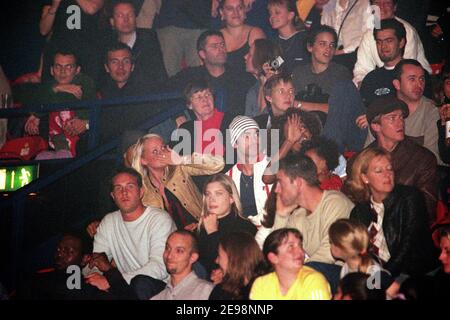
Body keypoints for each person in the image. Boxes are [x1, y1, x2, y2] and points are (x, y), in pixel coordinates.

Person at [346, 147, 439, 282]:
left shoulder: (410, 198)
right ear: (365, 178)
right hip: (382, 274)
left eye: (389, 169)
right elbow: (361, 253)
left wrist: (381, 279)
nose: (387, 174)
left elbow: (407, 246)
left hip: (415, 274)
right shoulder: (359, 212)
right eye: (379, 171)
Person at [270, 154, 354, 292]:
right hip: (318, 276)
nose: (276, 189)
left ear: (297, 183)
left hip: (348, 276)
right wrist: (281, 215)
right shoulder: (299, 215)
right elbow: (279, 253)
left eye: (280, 182)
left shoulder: (335, 203)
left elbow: (328, 253)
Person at [87, 168, 176, 294]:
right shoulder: (108, 222)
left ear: (141, 192)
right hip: (126, 287)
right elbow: (97, 262)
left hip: (163, 288)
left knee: (140, 283)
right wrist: (94, 277)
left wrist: (112, 281)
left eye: (130, 186)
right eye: (118, 188)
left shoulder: (159, 219)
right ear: (113, 196)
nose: (124, 192)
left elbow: (160, 267)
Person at [362, 95, 438, 223]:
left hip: (406, 230)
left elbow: (426, 210)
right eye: (392, 118)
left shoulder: (422, 159)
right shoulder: (361, 161)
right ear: (376, 126)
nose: (401, 123)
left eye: (401, 117)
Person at [292, 25, 367, 152]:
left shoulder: (340, 73)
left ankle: (328, 155)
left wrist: (300, 104)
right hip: (309, 130)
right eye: (323, 44)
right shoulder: (299, 73)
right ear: (310, 47)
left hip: (337, 135)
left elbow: (337, 110)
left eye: (332, 45)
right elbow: (288, 105)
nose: (328, 49)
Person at [131, 133, 225, 230]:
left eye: (163, 147)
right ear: (143, 160)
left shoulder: (179, 169)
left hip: (205, 228)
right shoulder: (143, 191)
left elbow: (218, 164)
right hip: (176, 241)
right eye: (155, 151)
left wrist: (181, 159)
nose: (162, 153)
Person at [15, 49, 96, 158]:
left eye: (69, 67)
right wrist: (56, 88)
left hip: (81, 148)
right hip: (53, 145)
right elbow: (27, 98)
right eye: (58, 67)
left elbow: (73, 101)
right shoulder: (48, 86)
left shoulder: (85, 83)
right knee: (41, 158)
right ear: (52, 70)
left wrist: (37, 114)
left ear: (77, 70)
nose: (63, 71)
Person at [364, 59, 441, 163]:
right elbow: (367, 155)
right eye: (412, 79)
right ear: (397, 84)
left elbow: (432, 158)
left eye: (421, 79)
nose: (419, 84)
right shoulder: (382, 109)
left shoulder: (431, 111)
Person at [168, 30, 253, 115]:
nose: (221, 49)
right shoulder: (191, 75)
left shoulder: (240, 76)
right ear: (202, 54)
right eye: (214, 46)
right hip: (199, 125)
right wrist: (177, 116)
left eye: (222, 45)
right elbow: (165, 92)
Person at [353, 0, 431, 87]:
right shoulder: (369, 34)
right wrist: (362, 85)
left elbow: (407, 71)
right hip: (383, 82)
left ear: (395, 7)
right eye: (377, 3)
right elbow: (362, 69)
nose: (381, 8)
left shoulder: (407, 31)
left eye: (387, 3)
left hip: (416, 85)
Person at [197, 174, 257, 275]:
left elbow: (235, 268)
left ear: (231, 198)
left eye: (218, 194)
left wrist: (212, 233)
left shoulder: (245, 228)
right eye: (208, 194)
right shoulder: (200, 228)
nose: (211, 199)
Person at [250, 228, 331, 300]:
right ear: (273, 258)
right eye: (291, 247)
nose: (300, 251)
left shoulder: (313, 281)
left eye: (300, 245)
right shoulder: (261, 284)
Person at [106, 0, 167, 88]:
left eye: (130, 15)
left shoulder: (149, 40)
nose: (126, 19)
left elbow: (158, 76)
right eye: (120, 16)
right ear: (112, 21)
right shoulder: (107, 44)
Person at [226, 116, 272, 227]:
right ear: (235, 144)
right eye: (247, 136)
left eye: (257, 134)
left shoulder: (273, 166)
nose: (255, 140)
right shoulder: (228, 177)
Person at [172, 80, 235, 157]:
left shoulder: (231, 121)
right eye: (198, 97)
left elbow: (232, 158)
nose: (205, 99)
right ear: (190, 105)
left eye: (208, 94)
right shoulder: (186, 129)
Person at [151, 230, 215, 300]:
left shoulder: (207, 291)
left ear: (192, 258)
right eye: (167, 248)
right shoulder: (158, 297)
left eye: (179, 251)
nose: (169, 256)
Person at [359, 18, 407, 108]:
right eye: (379, 42)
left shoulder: (415, 74)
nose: (383, 46)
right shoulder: (371, 78)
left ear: (401, 43)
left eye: (389, 41)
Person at [399, 225, 450, 299]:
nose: (440, 257)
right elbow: (426, 285)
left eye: (448, 251)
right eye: (441, 250)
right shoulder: (441, 277)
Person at [209, 231, 265, 300]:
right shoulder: (222, 291)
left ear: (233, 259)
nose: (216, 261)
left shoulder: (265, 291)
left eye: (219, 256)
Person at [320, 0, 372, 72]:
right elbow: (323, 30)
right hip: (331, 52)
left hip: (354, 53)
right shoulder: (329, 4)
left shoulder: (364, 3)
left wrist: (343, 51)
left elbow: (369, 32)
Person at [218, 0, 266, 76]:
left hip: (252, 85)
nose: (236, 12)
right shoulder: (216, 37)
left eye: (239, 7)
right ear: (222, 12)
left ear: (245, 10)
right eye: (230, 8)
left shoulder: (255, 33)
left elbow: (268, 66)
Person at [244, 39, 284, 118]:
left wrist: (267, 83)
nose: (245, 57)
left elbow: (269, 121)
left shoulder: (282, 88)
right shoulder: (253, 91)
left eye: (250, 54)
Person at [268, 0, 309, 73]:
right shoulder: (272, 43)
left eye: (277, 12)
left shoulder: (305, 38)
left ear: (291, 15)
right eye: (270, 13)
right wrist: (268, 70)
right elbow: (273, 68)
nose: (272, 17)